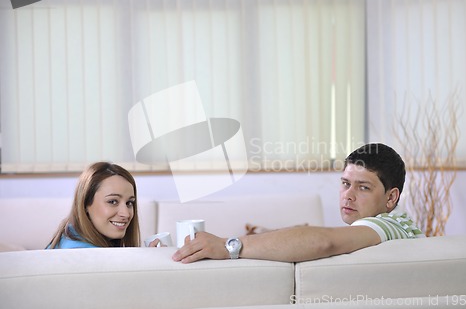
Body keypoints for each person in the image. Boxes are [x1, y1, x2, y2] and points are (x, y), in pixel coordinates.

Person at [172, 143, 424, 263]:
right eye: (345, 183)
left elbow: (325, 242)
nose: (348, 195)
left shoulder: (390, 225)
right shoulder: (392, 224)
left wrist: (228, 246)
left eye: (363, 187)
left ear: (391, 198)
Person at [47, 162, 153, 249]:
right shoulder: (84, 254)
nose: (125, 214)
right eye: (112, 201)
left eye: (129, 203)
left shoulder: (70, 236)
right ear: (85, 204)